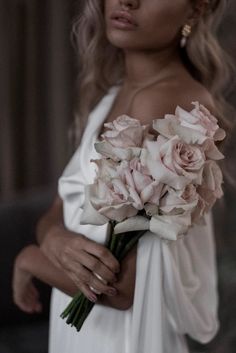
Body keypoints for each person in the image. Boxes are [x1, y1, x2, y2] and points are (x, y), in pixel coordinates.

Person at [12, 0, 234, 352]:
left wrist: (30, 258)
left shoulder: (168, 103)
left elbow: (122, 291)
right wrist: (53, 236)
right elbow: (63, 203)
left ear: (196, 10)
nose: (126, 1)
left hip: (121, 339)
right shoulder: (115, 93)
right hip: (84, 330)